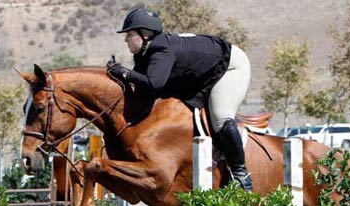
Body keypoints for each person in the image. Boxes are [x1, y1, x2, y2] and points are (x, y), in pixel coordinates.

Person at [107, 8, 253, 191]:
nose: (126, 39)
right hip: (201, 72)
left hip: (230, 66)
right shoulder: (144, 54)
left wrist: (125, 73)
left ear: (144, 35)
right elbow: (144, 90)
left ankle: (241, 175)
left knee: (221, 116)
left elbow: (154, 84)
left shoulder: (161, 51)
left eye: (129, 35)